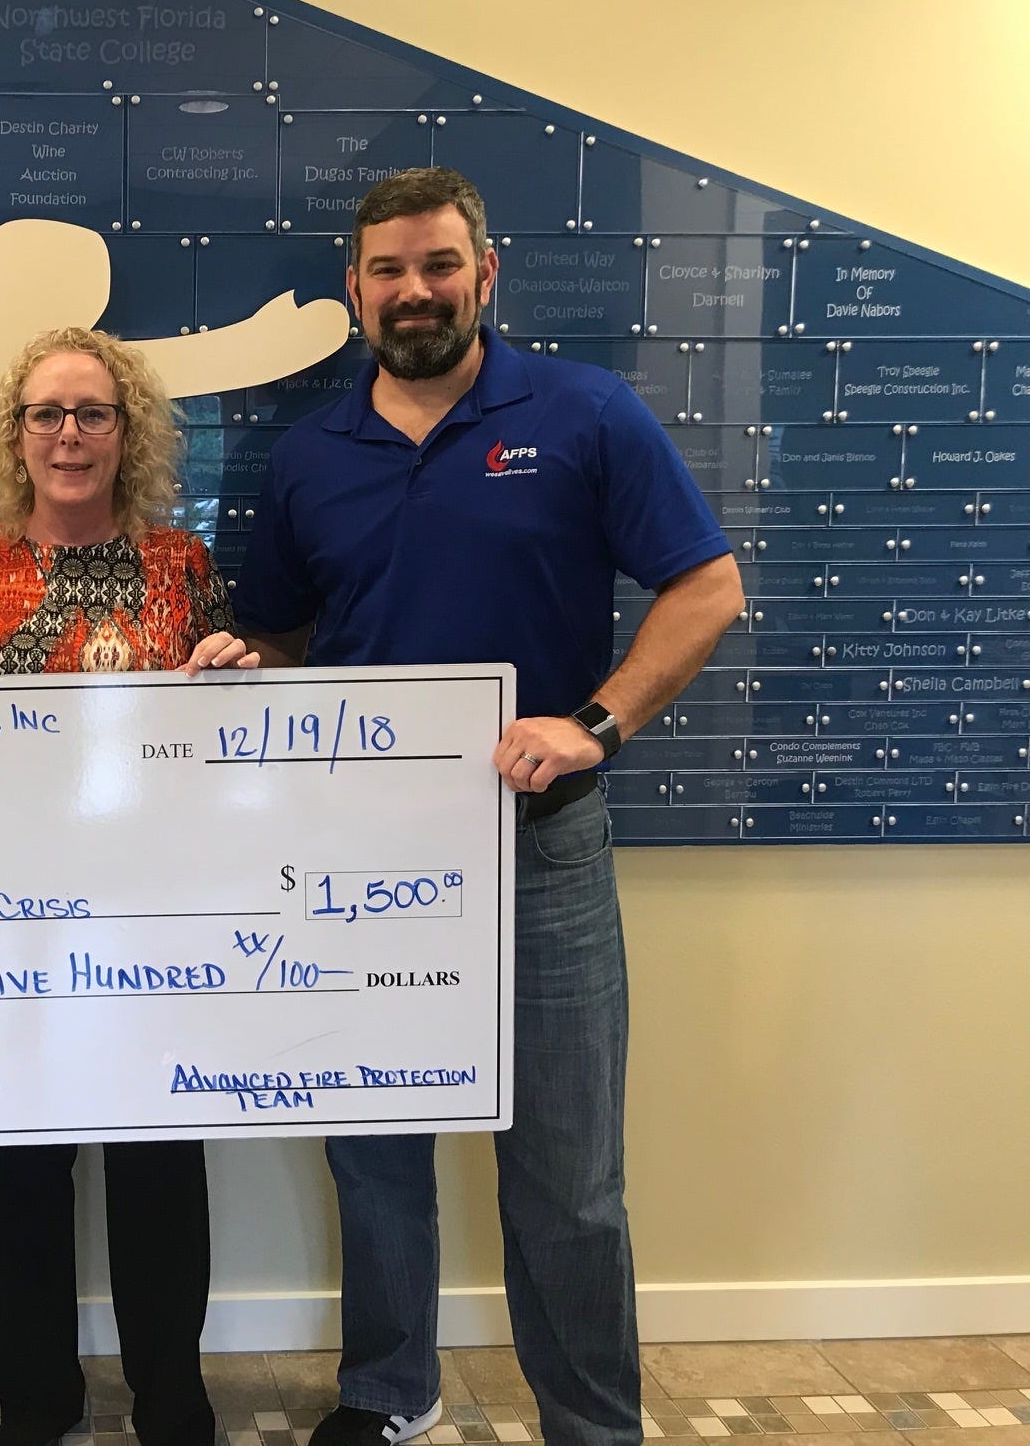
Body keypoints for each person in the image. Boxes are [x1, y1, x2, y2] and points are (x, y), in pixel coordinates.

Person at [231, 169, 744, 1446]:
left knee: (568, 1178)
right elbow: (282, 633)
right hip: (354, 861)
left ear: (485, 273)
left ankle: (593, 1423)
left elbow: (707, 587)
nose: (414, 293)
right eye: (389, 271)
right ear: (355, 290)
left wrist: (597, 725)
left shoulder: (583, 413)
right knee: (376, 1153)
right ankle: (388, 1392)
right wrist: (245, 664)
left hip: (542, 848)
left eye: (438, 266)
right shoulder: (310, 456)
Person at [0, 326, 255, 1446]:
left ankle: (172, 1399)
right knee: (13, 1175)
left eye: (93, 413)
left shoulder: (182, 568)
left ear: (127, 432)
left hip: (150, 920)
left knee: (157, 1168)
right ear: (16, 436)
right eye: (47, 413)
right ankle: (37, 1406)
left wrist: (233, 678)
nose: (69, 434)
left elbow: (225, 753)